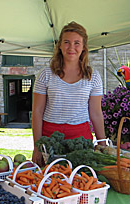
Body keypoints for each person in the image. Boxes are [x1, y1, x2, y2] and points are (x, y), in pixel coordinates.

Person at [32, 21, 106, 167]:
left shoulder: (93, 76)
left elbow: (96, 113)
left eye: (77, 43)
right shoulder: (45, 74)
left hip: (81, 137)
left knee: (82, 180)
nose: (71, 47)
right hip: (50, 136)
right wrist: (37, 147)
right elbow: (37, 112)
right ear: (59, 45)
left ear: (84, 47)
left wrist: (103, 145)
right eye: (67, 42)